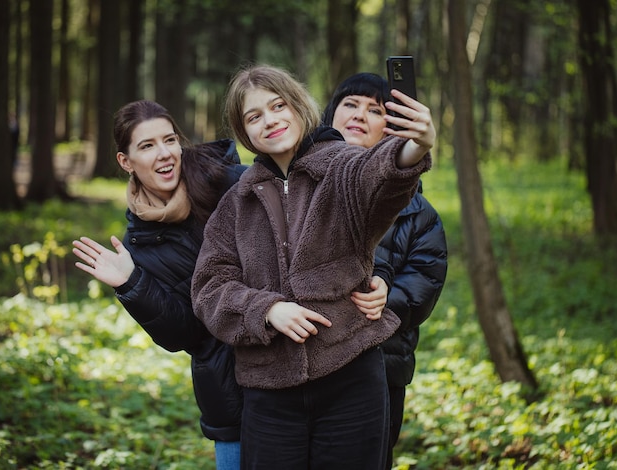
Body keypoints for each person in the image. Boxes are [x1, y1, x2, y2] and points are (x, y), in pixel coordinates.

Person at [190, 64, 436, 469]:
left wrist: (417, 145)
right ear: (244, 130)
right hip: (268, 393)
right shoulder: (235, 203)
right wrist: (265, 308)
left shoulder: (342, 167)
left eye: (278, 106)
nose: (270, 121)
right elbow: (209, 287)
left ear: (298, 106)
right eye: (255, 116)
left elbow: (381, 175)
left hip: (352, 381)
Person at [71, 100, 248, 469]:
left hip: (288, 367)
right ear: (125, 161)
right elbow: (183, 334)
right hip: (229, 395)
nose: (165, 154)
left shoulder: (227, 180)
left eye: (169, 140)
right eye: (147, 146)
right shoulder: (138, 245)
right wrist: (133, 284)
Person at [322, 72, 448, 469]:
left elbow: (424, 282)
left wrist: (384, 297)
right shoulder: (299, 188)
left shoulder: (418, 213)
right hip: (307, 368)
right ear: (330, 116)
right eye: (350, 104)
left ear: (391, 129)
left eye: (374, 110)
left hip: (380, 371)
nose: (360, 114)